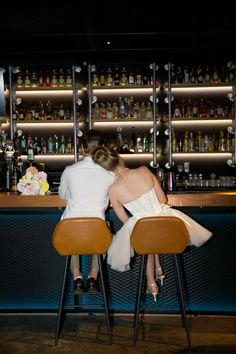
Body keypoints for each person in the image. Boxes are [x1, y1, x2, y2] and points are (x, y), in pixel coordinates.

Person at [92, 146, 213, 301]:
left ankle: (151, 280)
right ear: (118, 157)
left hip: (144, 232)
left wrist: (141, 215)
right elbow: (163, 200)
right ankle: (158, 269)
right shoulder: (143, 170)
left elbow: (125, 220)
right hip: (168, 226)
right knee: (152, 230)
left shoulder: (113, 190)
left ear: (104, 168)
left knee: (146, 233)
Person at [58, 130, 115, 293]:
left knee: (72, 235)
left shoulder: (69, 169)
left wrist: (75, 194)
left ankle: (77, 277)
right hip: (96, 231)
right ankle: (92, 277)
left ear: (82, 148)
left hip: (69, 230)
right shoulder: (109, 173)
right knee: (104, 236)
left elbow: (62, 195)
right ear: (102, 148)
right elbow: (113, 195)